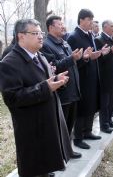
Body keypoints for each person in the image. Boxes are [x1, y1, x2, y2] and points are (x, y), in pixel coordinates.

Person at [0, 19, 72, 177]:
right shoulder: (9, 63)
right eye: (35, 33)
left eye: (41, 33)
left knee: (46, 159)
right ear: (21, 36)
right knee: (34, 163)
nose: (40, 37)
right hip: (31, 124)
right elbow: (12, 98)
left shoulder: (39, 55)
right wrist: (46, 87)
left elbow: (43, 80)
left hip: (47, 119)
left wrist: (56, 79)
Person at [41, 15, 86, 159]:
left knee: (69, 124)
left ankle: (68, 151)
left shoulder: (65, 43)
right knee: (60, 126)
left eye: (63, 23)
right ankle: (58, 156)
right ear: (50, 27)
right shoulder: (46, 45)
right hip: (62, 91)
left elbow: (72, 65)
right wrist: (71, 58)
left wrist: (81, 58)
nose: (63, 26)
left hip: (73, 90)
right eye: (59, 24)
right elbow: (53, 67)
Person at [67, 9, 104, 149]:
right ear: (81, 20)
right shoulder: (74, 37)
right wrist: (85, 58)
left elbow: (90, 55)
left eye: (92, 19)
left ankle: (88, 131)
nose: (91, 22)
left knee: (91, 105)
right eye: (89, 19)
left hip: (92, 76)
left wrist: (96, 55)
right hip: (82, 78)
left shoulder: (89, 35)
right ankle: (78, 137)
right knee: (82, 108)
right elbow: (72, 61)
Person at [95, 20, 113, 134]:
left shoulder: (111, 39)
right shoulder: (99, 39)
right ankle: (104, 125)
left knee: (111, 100)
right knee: (105, 102)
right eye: (112, 26)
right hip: (104, 75)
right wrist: (109, 52)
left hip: (112, 74)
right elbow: (99, 58)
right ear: (105, 27)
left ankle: (109, 120)